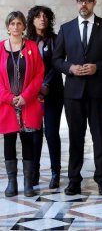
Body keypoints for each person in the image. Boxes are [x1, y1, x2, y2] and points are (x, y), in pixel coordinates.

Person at [53, 0, 102, 196]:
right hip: (73, 93)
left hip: (98, 92)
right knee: (75, 138)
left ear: (94, 3)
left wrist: (97, 67)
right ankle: (74, 180)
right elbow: (56, 60)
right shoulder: (66, 28)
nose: (84, 4)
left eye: (88, 1)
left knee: (99, 137)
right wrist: (70, 68)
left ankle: (101, 179)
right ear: (76, 2)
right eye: (80, 1)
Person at [0, 11, 44, 197]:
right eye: (12, 23)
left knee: (28, 142)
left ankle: (28, 183)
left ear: (24, 26)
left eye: (19, 23)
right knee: (9, 142)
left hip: (28, 103)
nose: (16, 27)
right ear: (8, 27)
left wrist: (26, 95)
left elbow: (39, 75)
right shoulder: (0, 48)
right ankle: (12, 182)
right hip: (7, 105)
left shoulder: (32, 47)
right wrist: (9, 98)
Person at [26, 6, 64, 189]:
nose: (42, 19)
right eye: (38, 16)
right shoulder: (26, 42)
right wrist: (36, 88)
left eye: (45, 16)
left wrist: (46, 84)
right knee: (34, 134)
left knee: (51, 133)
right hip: (32, 95)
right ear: (32, 20)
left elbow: (57, 65)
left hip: (53, 92)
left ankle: (55, 173)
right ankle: (34, 172)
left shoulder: (56, 40)